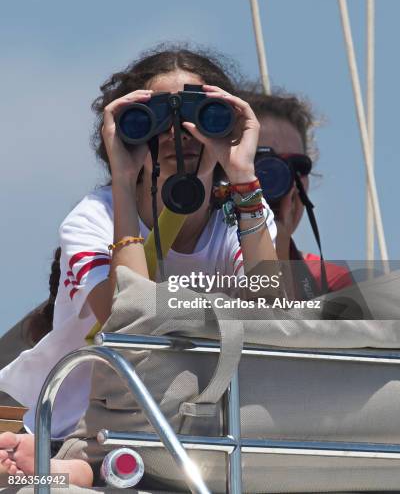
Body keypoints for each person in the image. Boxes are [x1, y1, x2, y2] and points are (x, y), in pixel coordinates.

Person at [0, 46, 277, 482]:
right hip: (62, 421)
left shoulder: (240, 217)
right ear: (129, 133)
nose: (177, 134)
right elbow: (125, 318)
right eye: (156, 120)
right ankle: (77, 469)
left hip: (173, 422)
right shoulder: (95, 218)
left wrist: (242, 174)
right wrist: (125, 183)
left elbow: (271, 308)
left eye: (195, 115)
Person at [240, 89, 353, 295]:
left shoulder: (332, 283)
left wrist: (280, 252)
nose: (283, 180)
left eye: (297, 167)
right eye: (264, 166)